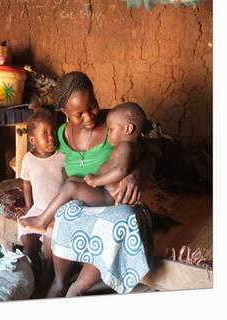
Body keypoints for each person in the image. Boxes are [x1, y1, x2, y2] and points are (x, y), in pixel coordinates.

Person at [35, 71, 154, 298]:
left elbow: (153, 153)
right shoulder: (60, 134)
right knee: (67, 212)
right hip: (84, 202)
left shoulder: (115, 123)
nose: (89, 117)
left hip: (115, 201)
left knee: (118, 220)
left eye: (93, 107)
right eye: (78, 114)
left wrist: (136, 174)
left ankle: (77, 288)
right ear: (64, 113)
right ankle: (59, 282)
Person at [19, 102, 148, 231]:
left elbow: (121, 170)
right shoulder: (126, 146)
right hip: (103, 190)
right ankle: (53, 216)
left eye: (112, 129)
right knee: (72, 179)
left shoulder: (125, 146)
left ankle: (42, 221)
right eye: (79, 113)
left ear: (128, 129)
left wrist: (97, 180)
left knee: (71, 187)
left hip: (110, 196)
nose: (108, 133)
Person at [17, 108, 65, 294]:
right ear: (32, 140)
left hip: (58, 210)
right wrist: (29, 207)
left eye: (52, 132)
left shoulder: (62, 157)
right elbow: (26, 183)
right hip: (38, 207)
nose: (51, 137)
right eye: (44, 134)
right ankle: (35, 264)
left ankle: (47, 273)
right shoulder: (28, 159)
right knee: (24, 229)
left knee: (49, 238)